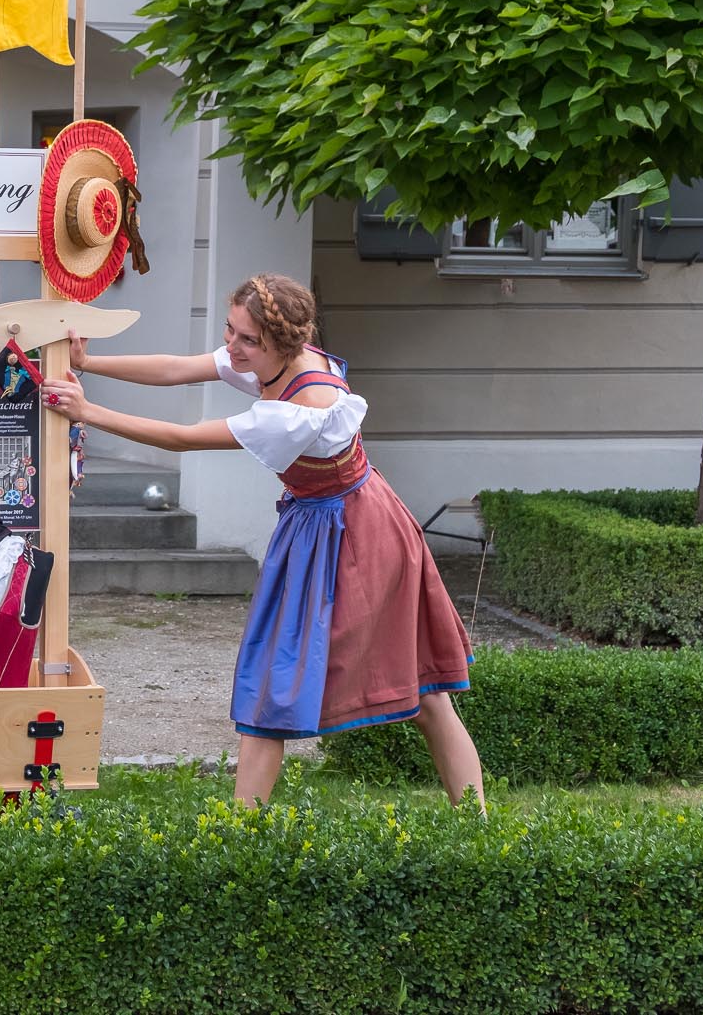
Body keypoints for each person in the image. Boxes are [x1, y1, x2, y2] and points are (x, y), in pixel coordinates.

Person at [40, 273, 484, 809]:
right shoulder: (268, 358)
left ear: (283, 343)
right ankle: (250, 836)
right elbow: (180, 369)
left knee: (307, 684)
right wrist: (90, 366)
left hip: (352, 535)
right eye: (231, 331)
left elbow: (184, 438)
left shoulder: (301, 408)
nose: (232, 347)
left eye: (246, 340)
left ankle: (250, 840)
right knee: (323, 686)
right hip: (341, 520)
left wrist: (88, 411)